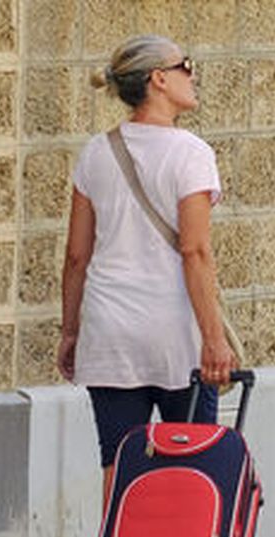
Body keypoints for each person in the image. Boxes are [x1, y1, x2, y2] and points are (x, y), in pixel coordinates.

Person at [58, 35, 236, 504]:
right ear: (159, 78)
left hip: (109, 327)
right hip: (174, 332)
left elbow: (77, 255)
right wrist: (214, 339)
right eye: (186, 66)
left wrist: (70, 331)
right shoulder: (190, 153)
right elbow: (195, 251)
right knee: (192, 463)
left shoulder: (97, 152)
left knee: (118, 465)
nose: (193, 76)